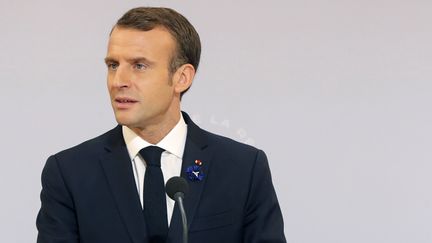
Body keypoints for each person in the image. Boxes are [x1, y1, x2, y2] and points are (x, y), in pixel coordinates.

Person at [36, 7, 286, 243]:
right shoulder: (69, 172)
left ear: (182, 78)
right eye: (113, 65)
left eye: (139, 66)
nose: (118, 81)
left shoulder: (243, 169)